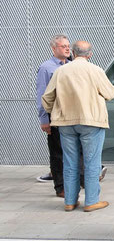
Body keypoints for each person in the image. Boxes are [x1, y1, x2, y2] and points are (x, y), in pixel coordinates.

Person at [41, 41, 114, 212]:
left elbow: (47, 98)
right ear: (89, 54)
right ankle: (91, 201)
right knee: (91, 162)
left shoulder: (60, 71)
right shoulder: (95, 70)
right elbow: (110, 93)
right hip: (91, 121)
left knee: (69, 162)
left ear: (73, 53)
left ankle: (69, 201)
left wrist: (54, 111)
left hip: (65, 123)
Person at [36, 35, 71, 196]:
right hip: (54, 115)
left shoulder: (72, 65)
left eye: (68, 45)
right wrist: (44, 119)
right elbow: (42, 94)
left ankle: (75, 182)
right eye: (63, 46)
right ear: (54, 48)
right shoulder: (46, 67)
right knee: (57, 153)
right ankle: (60, 187)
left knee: (72, 151)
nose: (67, 48)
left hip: (71, 115)